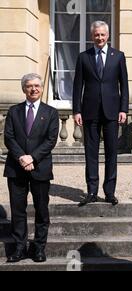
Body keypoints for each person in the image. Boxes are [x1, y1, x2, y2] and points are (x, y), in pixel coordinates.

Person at [3, 73, 59, 263]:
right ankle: (19, 248)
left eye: (37, 85)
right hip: (16, 168)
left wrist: (32, 157)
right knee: (18, 210)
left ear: (42, 88)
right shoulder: (13, 111)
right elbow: (8, 137)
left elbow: (51, 140)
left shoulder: (51, 113)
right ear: (24, 89)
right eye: (29, 86)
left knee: (41, 210)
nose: (33, 89)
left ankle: (39, 248)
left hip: (40, 167)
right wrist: (21, 157)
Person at [73, 20, 129, 206]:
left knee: (112, 152)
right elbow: (77, 86)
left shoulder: (118, 56)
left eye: (102, 34)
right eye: (96, 35)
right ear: (92, 36)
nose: (99, 38)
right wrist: (76, 110)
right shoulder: (83, 57)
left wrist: (123, 109)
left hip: (112, 111)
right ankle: (91, 191)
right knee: (91, 153)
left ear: (108, 35)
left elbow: (124, 85)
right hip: (89, 112)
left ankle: (110, 192)